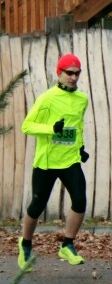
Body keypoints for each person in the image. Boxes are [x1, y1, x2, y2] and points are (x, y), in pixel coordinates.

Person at [17, 53, 90, 271]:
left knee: (80, 200)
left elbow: (77, 127)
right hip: (47, 162)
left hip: (69, 160)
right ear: (59, 73)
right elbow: (27, 126)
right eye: (69, 73)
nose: (73, 77)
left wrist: (80, 147)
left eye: (77, 73)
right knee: (37, 205)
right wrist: (51, 129)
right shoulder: (47, 98)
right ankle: (26, 243)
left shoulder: (82, 99)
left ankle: (67, 244)